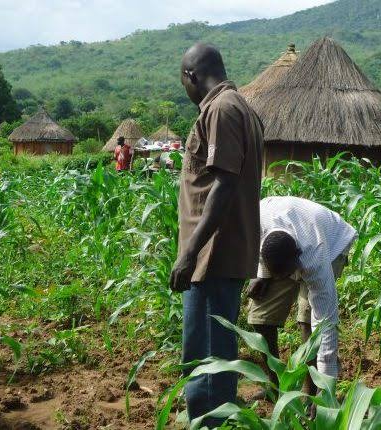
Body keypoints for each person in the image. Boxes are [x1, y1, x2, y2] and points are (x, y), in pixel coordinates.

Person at [169, 42, 264, 426]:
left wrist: (190, 252)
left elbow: (223, 185)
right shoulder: (240, 106)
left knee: (206, 358)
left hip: (212, 256)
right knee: (215, 350)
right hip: (219, 255)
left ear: (190, 76)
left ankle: (209, 424)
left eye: (183, 81)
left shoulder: (222, 110)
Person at [247, 196, 357, 393]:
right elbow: (263, 248)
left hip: (332, 242)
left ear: (298, 256)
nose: (290, 278)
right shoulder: (254, 225)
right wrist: (262, 275)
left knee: (308, 323)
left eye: (290, 274)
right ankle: (274, 387)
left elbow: (326, 325)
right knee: (260, 317)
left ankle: (312, 391)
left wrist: (327, 391)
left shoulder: (314, 257)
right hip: (279, 239)